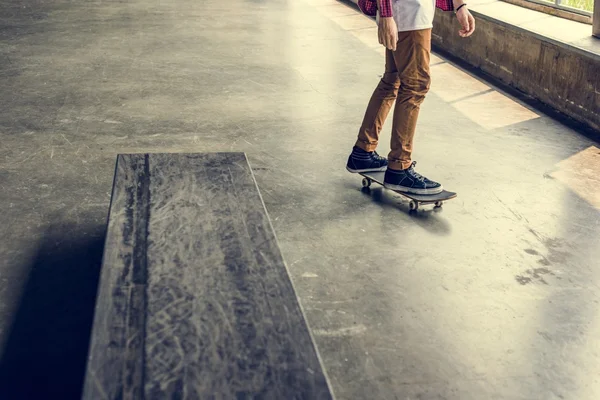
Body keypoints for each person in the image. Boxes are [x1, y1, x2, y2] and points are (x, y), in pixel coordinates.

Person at [347, 0, 475, 194]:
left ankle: (363, 151)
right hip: (408, 14)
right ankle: (400, 167)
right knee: (415, 85)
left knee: (393, 80)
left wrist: (460, 5)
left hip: (408, 13)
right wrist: (387, 14)